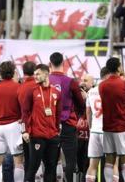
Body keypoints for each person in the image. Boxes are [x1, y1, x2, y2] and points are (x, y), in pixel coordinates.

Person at [49, 52, 85, 182]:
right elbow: (81, 103)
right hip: (68, 124)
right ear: (63, 64)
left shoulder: (46, 80)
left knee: (51, 160)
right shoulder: (71, 81)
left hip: (49, 124)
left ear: (50, 64)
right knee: (70, 160)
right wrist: (78, 115)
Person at [21, 64, 61, 182]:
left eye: (38, 74)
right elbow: (25, 112)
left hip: (52, 136)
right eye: (34, 74)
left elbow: (58, 114)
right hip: (37, 135)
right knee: (33, 166)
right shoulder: (32, 91)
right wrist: (25, 130)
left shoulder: (56, 92)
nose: (35, 77)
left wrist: (57, 131)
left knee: (51, 167)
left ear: (46, 74)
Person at [99, 57, 125, 182]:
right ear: (119, 67)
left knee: (109, 159)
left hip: (107, 127)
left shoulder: (102, 85)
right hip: (122, 126)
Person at [0, 61, 24, 182]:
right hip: (14, 125)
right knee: (18, 160)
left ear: (1, 73)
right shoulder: (19, 87)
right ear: (13, 72)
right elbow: (23, 106)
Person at [85, 67, 111, 182]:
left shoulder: (91, 91)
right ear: (107, 76)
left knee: (93, 164)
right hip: (108, 130)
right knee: (111, 164)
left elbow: (88, 112)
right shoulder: (112, 89)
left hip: (95, 130)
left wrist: (91, 127)